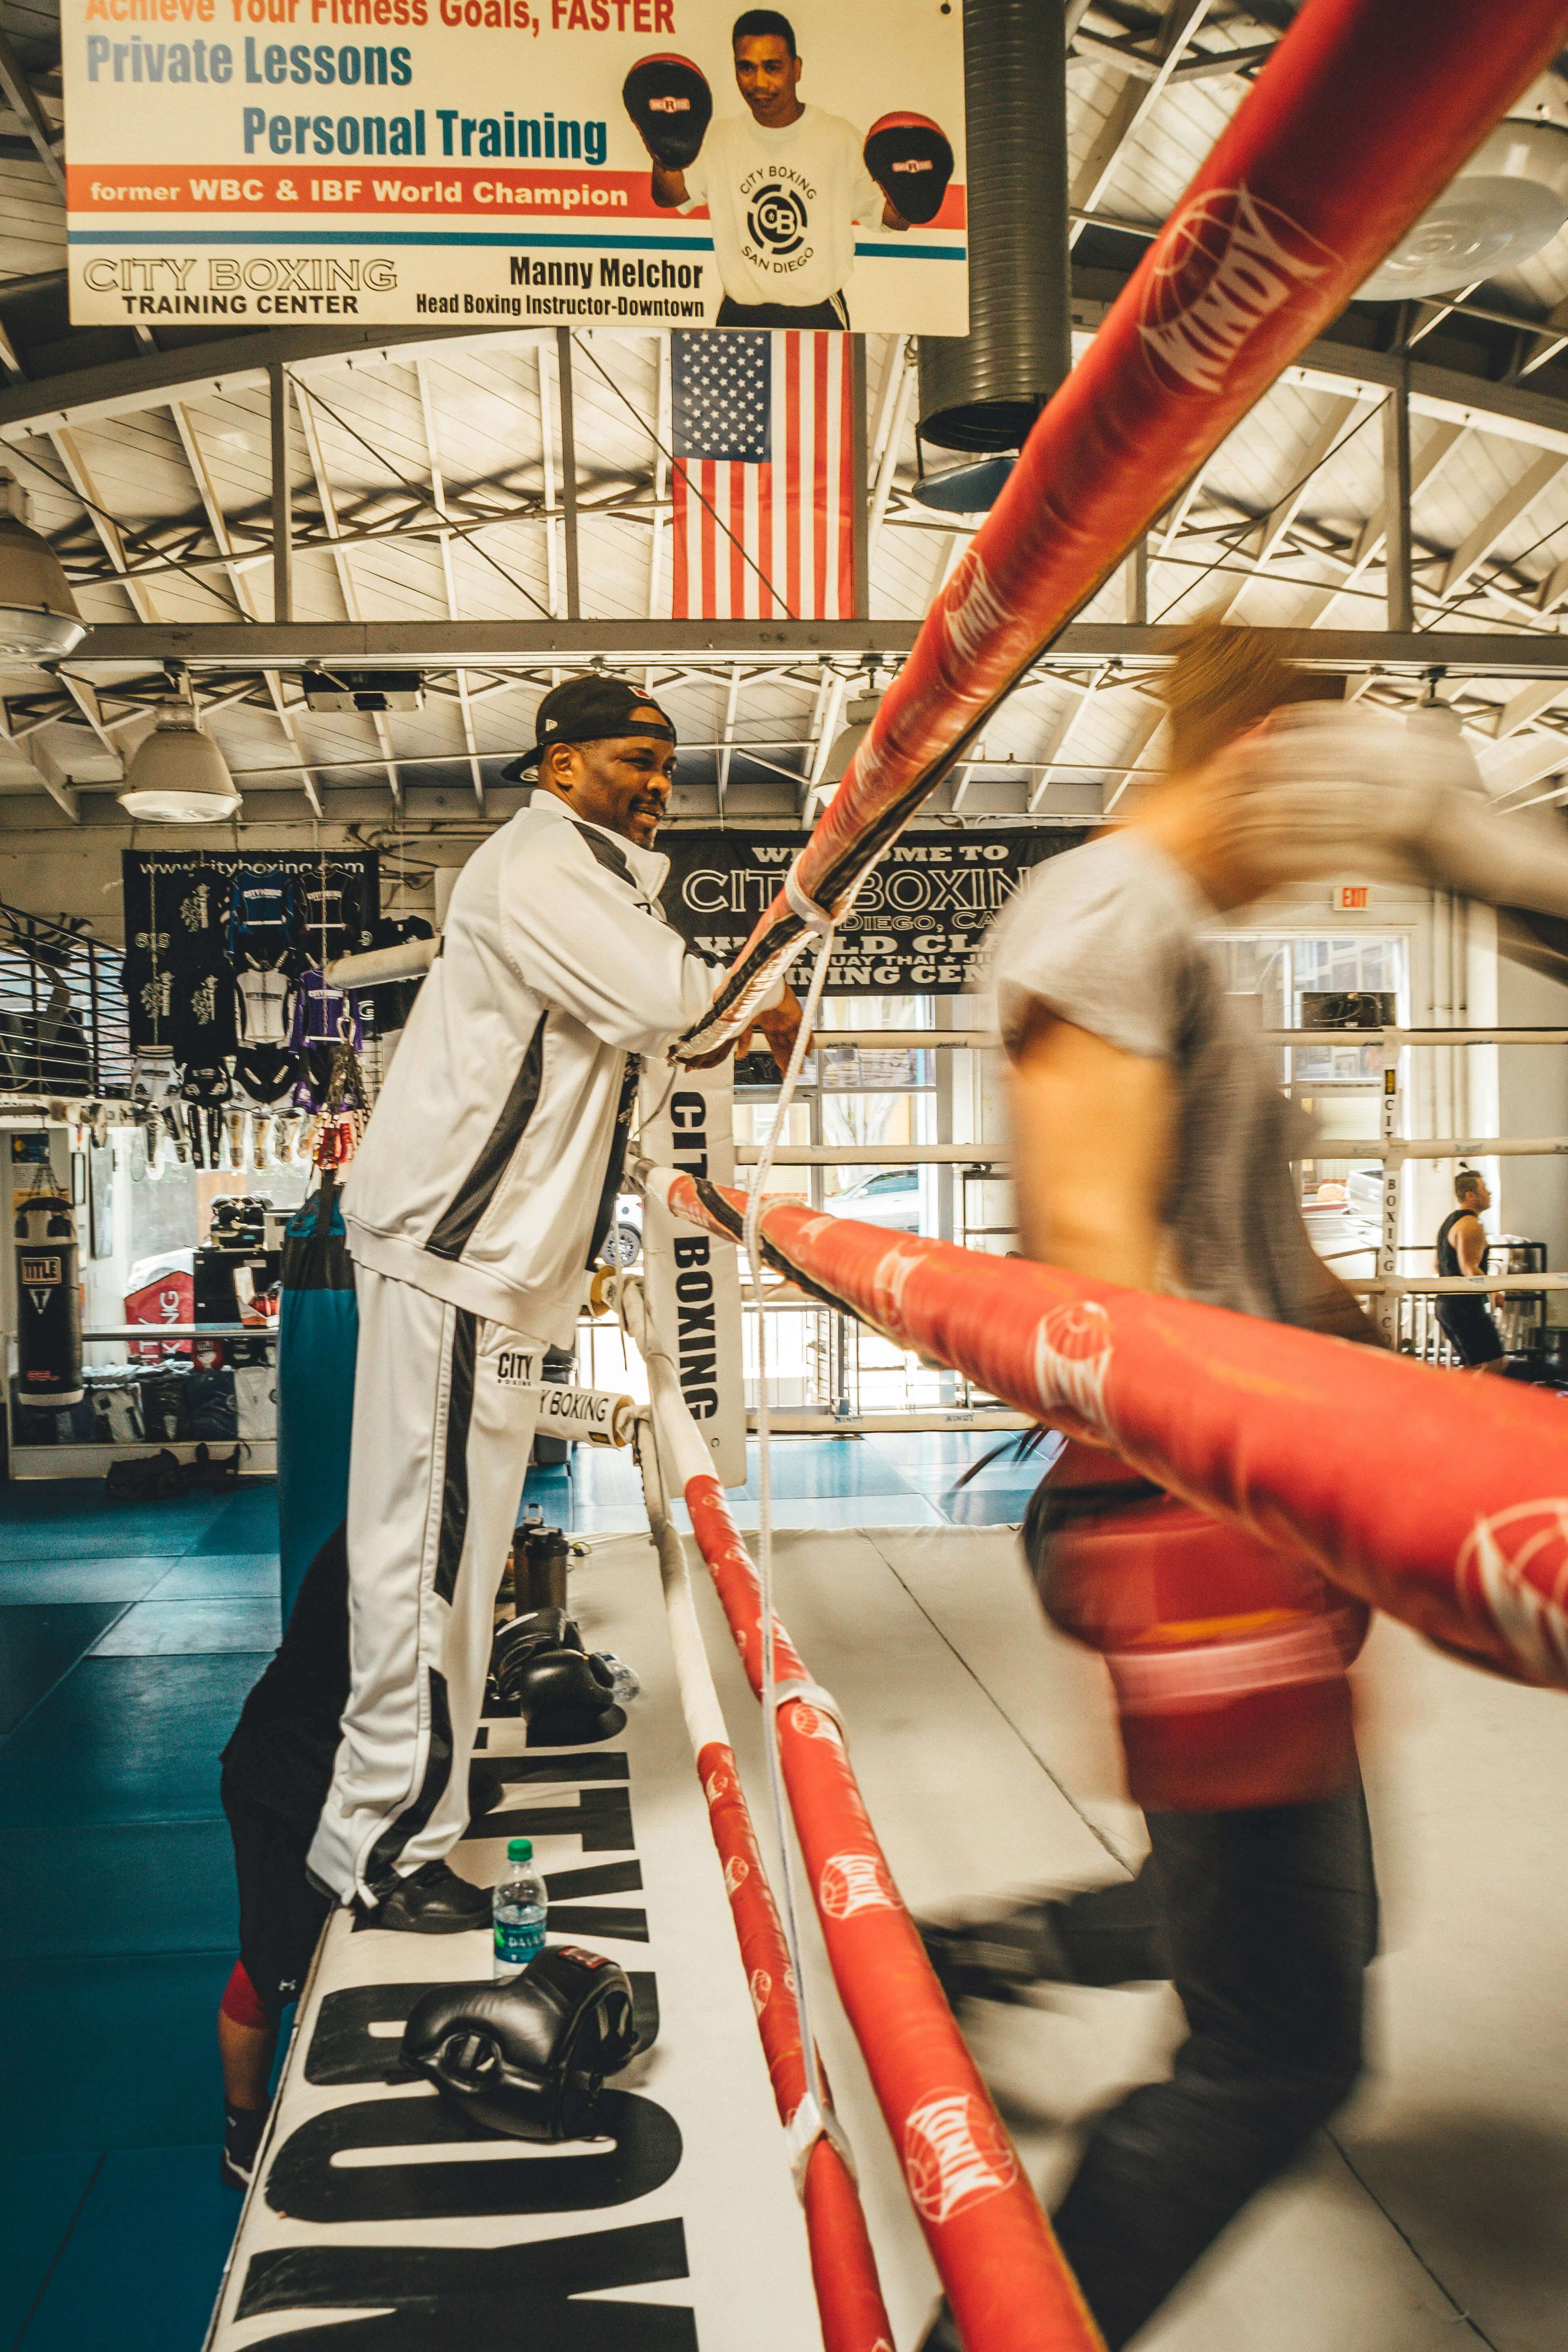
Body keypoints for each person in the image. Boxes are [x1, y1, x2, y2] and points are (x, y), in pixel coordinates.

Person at [919, 622, 1388, 2352]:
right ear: (1262, 748)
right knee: (1276, 2037)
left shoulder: (1185, 933)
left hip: (1250, 1514)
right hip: (1190, 1522)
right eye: (1336, 788)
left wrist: (1405, 1427)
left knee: (1301, 1913)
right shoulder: (1110, 909)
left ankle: (980, 1958)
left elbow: (1257, 1272)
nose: (1352, 837)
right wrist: (1254, 1515)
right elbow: (1092, 1266)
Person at [306, 675, 799, 1933]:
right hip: (456, 1263)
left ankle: (404, 1821)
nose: (657, 783)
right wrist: (766, 990)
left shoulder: (590, 877)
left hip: (489, 1269)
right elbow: (670, 1003)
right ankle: (379, 1853)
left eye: (666, 765)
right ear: (559, 763)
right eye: (636, 757)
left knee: (451, 1561)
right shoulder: (541, 866)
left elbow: (648, 1045)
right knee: (423, 1566)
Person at [648, 10, 909, 328]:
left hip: (818, 313)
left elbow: (893, 218)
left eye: (772, 68)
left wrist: (916, 188)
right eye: (746, 68)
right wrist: (663, 151)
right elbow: (670, 196)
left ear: (796, 69)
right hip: (738, 313)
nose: (759, 83)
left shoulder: (839, 138)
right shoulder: (719, 139)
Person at [1435, 1167, 1504, 1367]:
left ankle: (1445, 1397)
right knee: (1495, 1365)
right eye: (1484, 1189)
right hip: (1464, 1307)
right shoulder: (1471, 1225)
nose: (1489, 1194)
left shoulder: (1450, 1223)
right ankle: (1440, 1398)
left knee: (1474, 1366)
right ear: (1470, 1196)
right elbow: (1469, 1269)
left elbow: (1437, 1264)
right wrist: (1495, 1293)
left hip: (1448, 1305)